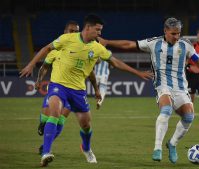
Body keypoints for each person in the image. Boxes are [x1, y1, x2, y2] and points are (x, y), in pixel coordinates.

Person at [20, 14, 152, 167]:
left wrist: (138, 73)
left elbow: (114, 62)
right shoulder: (66, 39)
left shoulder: (97, 48)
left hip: (78, 91)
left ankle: (86, 148)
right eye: (98, 30)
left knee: (86, 125)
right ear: (88, 28)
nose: (100, 34)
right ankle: (46, 153)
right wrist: (31, 65)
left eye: (100, 30)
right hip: (59, 85)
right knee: (54, 112)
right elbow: (46, 48)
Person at [99, 17, 199, 164]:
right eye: (173, 33)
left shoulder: (185, 45)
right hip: (162, 85)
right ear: (165, 31)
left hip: (181, 88)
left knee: (189, 117)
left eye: (178, 33)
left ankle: (172, 144)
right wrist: (107, 42)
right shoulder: (154, 43)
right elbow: (130, 44)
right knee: (166, 110)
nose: (176, 37)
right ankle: (157, 148)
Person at [35, 20, 101, 155]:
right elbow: (44, 67)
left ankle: (46, 146)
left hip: (73, 91)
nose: (74, 33)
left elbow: (91, 72)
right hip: (56, 88)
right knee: (45, 118)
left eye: (76, 31)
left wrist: (96, 89)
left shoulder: (82, 49)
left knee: (59, 119)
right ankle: (43, 124)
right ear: (65, 32)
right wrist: (39, 80)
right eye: (71, 31)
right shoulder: (56, 49)